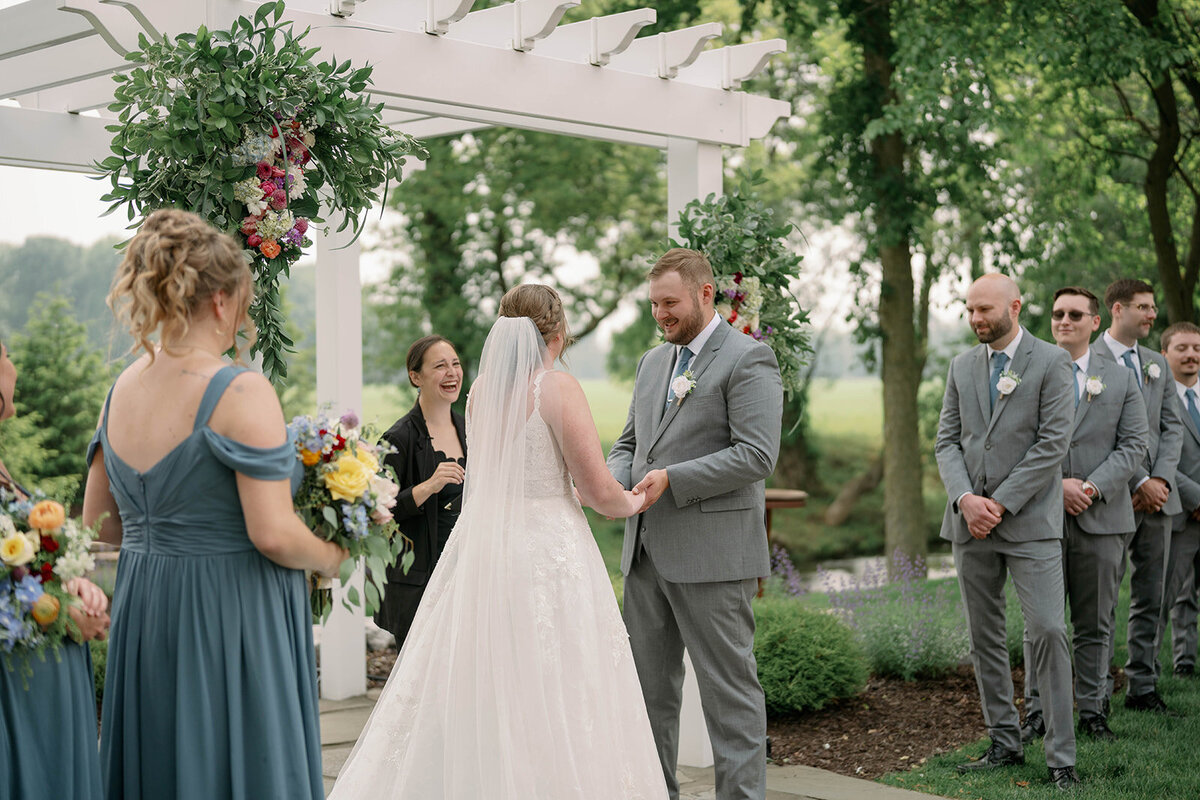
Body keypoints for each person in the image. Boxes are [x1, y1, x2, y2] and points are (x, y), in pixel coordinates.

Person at [328, 284, 667, 799]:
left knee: (492, 675)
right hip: (550, 548)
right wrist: (638, 500)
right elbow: (598, 491)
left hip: (488, 549)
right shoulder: (557, 387)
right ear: (557, 330)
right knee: (559, 680)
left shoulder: (483, 390)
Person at [81, 209, 347, 800]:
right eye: (246, 304)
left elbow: (99, 526)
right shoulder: (240, 388)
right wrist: (331, 555)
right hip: (231, 614)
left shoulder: (120, 390)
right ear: (224, 301)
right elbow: (273, 533)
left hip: (146, 613)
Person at [607, 248, 783, 800]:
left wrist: (671, 479)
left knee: (729, 696)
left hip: (713, 555)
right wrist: (614, 485)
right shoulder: (652, 362)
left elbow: (756, 455)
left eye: (670, 303)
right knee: (648, 696)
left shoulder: (749, 359)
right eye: (655, 303)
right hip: (645, 555)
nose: (661, 314)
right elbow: (630, 444)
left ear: (706, 294)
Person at [934, 273, 1078, 790]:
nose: (976, 319)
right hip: (968, 522)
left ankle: (1061, 756)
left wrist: (998, 503)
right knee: (983, 637)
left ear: (1015, 306)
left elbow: (1052, 443)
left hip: (1031, 523)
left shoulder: (1053, 362)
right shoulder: (960, 365)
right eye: (970, 310)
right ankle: (1003, 741)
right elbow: (946, 441)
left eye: (986, 310)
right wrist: (965, 499)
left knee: (1047, 630)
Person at [1020, 287, 1147, 745]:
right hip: (1039, 517)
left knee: (1095, 622)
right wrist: (1057, 486)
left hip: (1103, 518)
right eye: (1057, 314)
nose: (1064, 321)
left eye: (1075, 314)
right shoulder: (1028, 374)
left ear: (1096, 321)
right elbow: (1019, 445)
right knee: (1041, 624)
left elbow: (1135, 445)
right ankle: (1036, 713)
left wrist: (1090, 488)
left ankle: (1093, 711)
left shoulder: (1120, 379)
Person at [0, 339, 110, 800]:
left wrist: (73, 585)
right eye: (5, 354)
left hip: (42, 671)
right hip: (17, 687)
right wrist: (60, 610)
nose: (13, 364)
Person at [1094, 278, 1183, 713]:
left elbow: (1172, 427)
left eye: (1153, 307)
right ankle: (1097, 694)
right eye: (1144, 308)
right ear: (1117, 309)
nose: (1152, 315)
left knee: (1153, 595)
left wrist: (1162, 480)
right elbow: (1089, 438)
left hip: (1158, 501)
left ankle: (1142, 687)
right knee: (1104, 599)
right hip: (1114, 499)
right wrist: (1136, 482)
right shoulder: (1085, 360)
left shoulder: (1155, 364)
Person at [376, 335, 467, 647]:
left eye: (455, 364)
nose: (452, 372)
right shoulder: (397, 438)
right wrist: (428, 486)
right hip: (421, 580)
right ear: (416, 377)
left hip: (468, 572)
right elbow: (379, 512)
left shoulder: (470, 428)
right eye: (440, 366)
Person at [1156, 322, 1200, 679]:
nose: (1191, 355)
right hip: (1181, 510)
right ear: (1164, 354)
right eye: (1182, 348)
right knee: (1168, 592)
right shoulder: (1156, 400)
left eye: (1197, 348)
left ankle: (1188, 657)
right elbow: (1159, 458)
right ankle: (1150, 668)